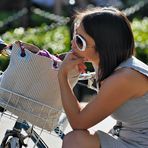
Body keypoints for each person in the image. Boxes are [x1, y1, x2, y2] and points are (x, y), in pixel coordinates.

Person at [58, 7, 148, 148]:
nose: (72, 44)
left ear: (103, 46)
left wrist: (62, 76)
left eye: (80, 41)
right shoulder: (112, 65)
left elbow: (78, 123)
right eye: (75, 35)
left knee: (75, 140)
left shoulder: (124, 77)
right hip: (126, 138)